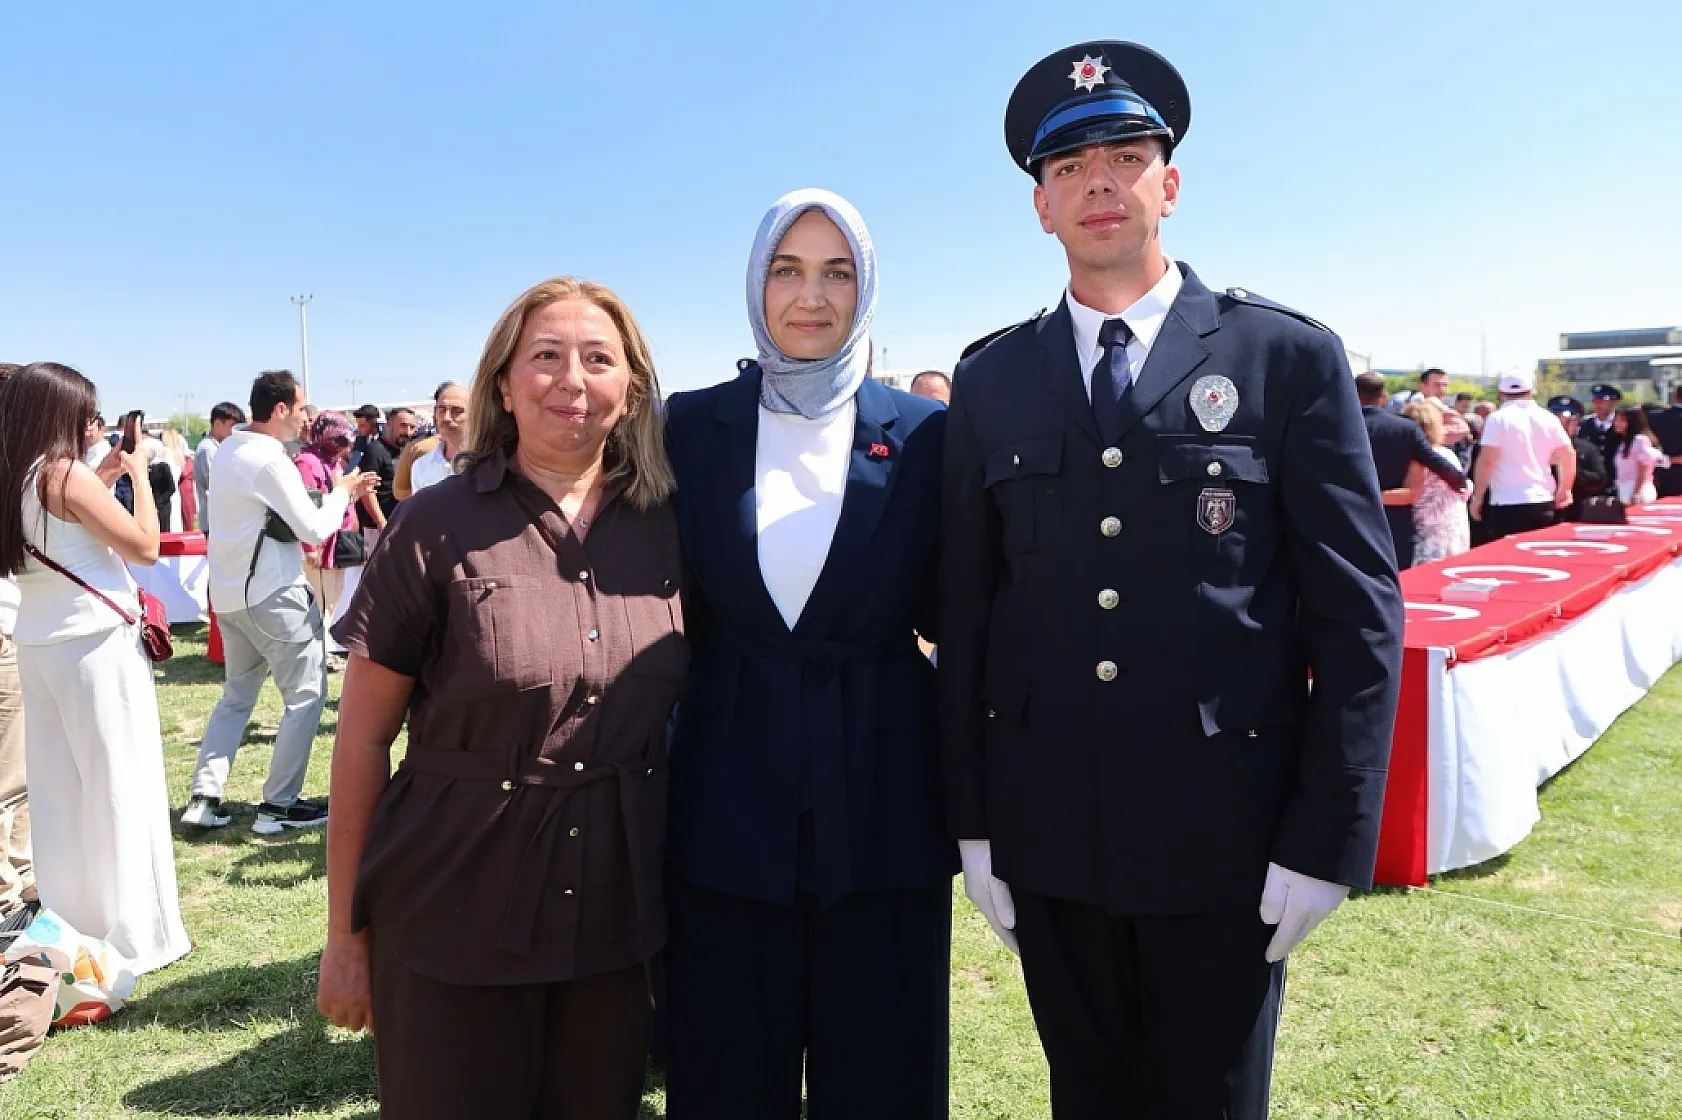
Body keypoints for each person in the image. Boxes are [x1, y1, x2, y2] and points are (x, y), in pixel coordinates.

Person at [939, 43, 1405, 1119]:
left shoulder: (1282, 356)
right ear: (1040, 206)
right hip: (1048, 830)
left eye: (1124, 156)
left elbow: (1355, 614)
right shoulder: (991, 377)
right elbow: (969, 615)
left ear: (1171, 183)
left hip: (1225, 837)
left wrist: (1328, 835)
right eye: (1067, 167)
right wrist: (974, 823)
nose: (1097, 182)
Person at [316, 277, 684, 1120]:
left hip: (615, 916)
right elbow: (363, 741)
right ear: (505, 387)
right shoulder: (434, 524)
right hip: (454, 908)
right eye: (545, 356)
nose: (572, 379)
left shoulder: (669, 528)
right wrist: (345, 935)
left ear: (632, 391)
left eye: (599, 359)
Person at [662, 190, 953, 1118]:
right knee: (724, 1074)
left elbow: (963, 615)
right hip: (724, 796)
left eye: (838, 272)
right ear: (756, 282)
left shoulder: (927, 434)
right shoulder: (688, 428)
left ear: (868, 290)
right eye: (787, 269)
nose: (812, 296)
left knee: (884, 1077)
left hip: (885, 797)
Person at [0, 362, 191, 976]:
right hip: (94, 644)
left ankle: (73, 926)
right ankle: (137, 935)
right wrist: (137, 476)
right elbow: (145, 546)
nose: (91, 424)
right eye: (84, 413)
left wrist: (104, 475)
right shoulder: (63, 473)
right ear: (56, 413)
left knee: (58, 793)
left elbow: (63, 534)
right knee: (119, 784)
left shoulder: (15, 476)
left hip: (38, 642)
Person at [181, 371, 377, 835]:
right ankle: (278, 806)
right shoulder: (268, 459)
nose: (307, 417)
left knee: (236, 698)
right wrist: (342, 492)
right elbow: (315, 529)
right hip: (272, 595)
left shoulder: (229, 448)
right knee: (306, 697)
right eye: (301, 407)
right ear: (281, 408)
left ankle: (204, 797)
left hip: (231, 597)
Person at [293, 411, 379, 668]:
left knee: (328, 604)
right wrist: (310, 547)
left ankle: (320, 654)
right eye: (338, 440)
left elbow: (336, 500)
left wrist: (357, 492)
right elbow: (305, 507)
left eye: (346, 441)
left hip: (335, 546)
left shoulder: (333, 462)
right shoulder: (307, 462)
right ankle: (311, 658)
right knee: (315, 605)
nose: (344, 446)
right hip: (318, 548)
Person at [1357, 373, 1468, 570]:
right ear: (1384, 397)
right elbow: (1433, 460)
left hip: (1351, 516)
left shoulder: (1337, 428)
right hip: (1394, 521)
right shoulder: (1405, 429)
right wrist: (1459, 480)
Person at [1470, 369, 1575, 541]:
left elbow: (1487, 460)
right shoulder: (1548, 417)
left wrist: (1478, 496)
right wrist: (1565, 489)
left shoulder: (1497, 419)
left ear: (1501, 393)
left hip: (1507, 501)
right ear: (1531, 391)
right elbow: (1568, 454)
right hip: (1543, 499)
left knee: (1510, 553)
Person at [1402, 400, 1472, 564]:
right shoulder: (1447, 454)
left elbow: (1410, 492)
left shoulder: (1416, 457)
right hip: (1453, 529)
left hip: (1425, 533)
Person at [396, 381, 469, 498]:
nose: (446, 418)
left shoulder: (487, 463)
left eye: (457, 410)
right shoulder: (421, 466)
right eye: (442, 409)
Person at [1545, 396, 1611, 519]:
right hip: (1544, 509)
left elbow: (1599, 478)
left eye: (1567, 420)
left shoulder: (1587, 448)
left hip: (1578, 510)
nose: (1561, 424)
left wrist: (1570, 467)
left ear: (1576, 422)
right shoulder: (1539, 446)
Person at [194, 401, 247, 534]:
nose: (235, 431)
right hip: (216, 522)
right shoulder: (208, 449)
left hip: (222, 520)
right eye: (232, 426)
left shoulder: (219, 447)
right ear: (217, 423)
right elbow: (214, 484)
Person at [1607, 404, 1666, 507]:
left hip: (1638, 490)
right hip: (1625, 488)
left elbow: (1643, 469)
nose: (1617, 423)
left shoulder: (1640, 440)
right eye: (1616, 420)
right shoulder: (1624, 442)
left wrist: (1636, 494)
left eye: (1622, 420)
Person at [1417, 368, 1473, 465]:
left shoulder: (1448, 415)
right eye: (1436, 385)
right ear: (1423, 386)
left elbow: (1462, 433)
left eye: (1445, 385)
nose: (1442, 389)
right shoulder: (1412, 410)